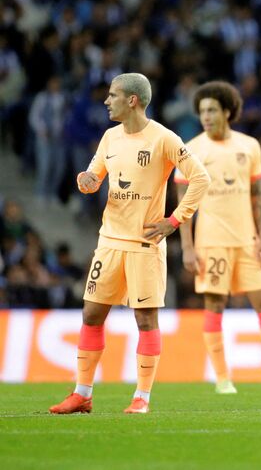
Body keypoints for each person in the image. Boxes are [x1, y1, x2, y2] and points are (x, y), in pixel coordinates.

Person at [50, 73, 210, 415]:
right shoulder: (109, 138)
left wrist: (174, 219)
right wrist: (86, 181)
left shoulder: (164, 139)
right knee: (92, 314)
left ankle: (142, 398)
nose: (107, 102)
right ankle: (82, 394)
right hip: (109, 241)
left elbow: (200, 178)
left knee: (145, 320)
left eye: (113, 96)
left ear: (132, 100)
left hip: (144, 244)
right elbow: (93, 179)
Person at [175, 81, 261, 394]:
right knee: (215, 304)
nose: (206, 116)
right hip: (211, 241)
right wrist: (186, 246)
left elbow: (258, 195)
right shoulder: (192, 149)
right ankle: (223, 379)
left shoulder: (249, 145)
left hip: (247, 239)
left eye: (211, 110)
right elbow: (184, 201)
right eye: (201, 112)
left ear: (227, 111)